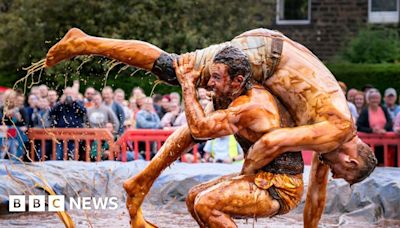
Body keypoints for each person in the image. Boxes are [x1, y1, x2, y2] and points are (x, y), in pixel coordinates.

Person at [44, 28, 377, 228]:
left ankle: (141, 181)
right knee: (175, 67)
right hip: (266, 56)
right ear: (351, 161)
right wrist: (246, 174)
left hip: (269, 53)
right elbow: (271, 143)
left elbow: (316, 196)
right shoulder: (338, 128)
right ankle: (84, 42)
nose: (332, 174)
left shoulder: (331, 140)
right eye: (341, 175)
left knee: (202, 121)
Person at [175, 47, 304, 226]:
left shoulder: (251, 104)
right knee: (193, 197)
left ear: (238, 81)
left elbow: (200, 130)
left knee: (206, 204)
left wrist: (188, 86)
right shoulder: (236, 93)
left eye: (217, 77)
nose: (210, 82)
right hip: (260, 177)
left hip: (281, 186)